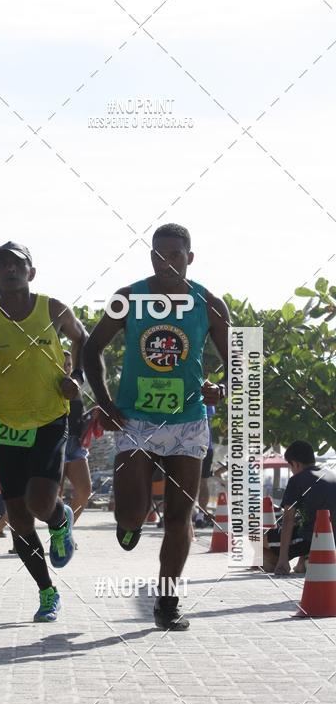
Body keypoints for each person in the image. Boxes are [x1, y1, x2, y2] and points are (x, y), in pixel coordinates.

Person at [84, 223, 229, 631]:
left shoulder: (210, 303)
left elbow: (240, 356)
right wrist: (105, 402)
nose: (166, 263)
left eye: (175, 255)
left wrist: (223, 387)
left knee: (179, 516)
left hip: (188, 423)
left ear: (190, 258)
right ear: (151, 257)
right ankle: (128, 523)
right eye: (158, 255)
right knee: (132, 512)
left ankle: (168, 602)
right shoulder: (128, 298)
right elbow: (92, 348)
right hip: (137, 419)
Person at [0, 241, 87, 622]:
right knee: (17, 519)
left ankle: (58, 519)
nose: (11, 269)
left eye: (19, 264)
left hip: (50, 417)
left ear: (31, 272)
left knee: (38, 502)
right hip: (8, 423)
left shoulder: (52, 308)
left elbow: (84, 338)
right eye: (3, 264)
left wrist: (76, 377)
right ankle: (47, 592)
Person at [264, 440, 336, 575]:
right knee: (306, 524)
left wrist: (283, 559)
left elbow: (288, 520)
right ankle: (305, 562)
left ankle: (275, 563)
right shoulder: (331, 474)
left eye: (290, 467)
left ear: (295, 464)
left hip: (312, 540)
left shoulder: (297, 480)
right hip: (331, 538)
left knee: (255, 537)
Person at [61, 350, 92, 528]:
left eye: (69, 364)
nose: (66, 368)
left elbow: (77, 417)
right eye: (63, 364)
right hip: (54, 442)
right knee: (53, 495)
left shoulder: (76, 385)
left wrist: (92, 415)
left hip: (75, 444)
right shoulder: (49, 383)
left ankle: (66, 531)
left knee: (84, 491)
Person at [193, 403, 215, 528]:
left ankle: (201, 515)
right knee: (185, 481)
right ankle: (188, 513)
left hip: (205, 446)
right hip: (186, 445)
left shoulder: (207, 396)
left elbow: (207, 414)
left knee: (203, 482)